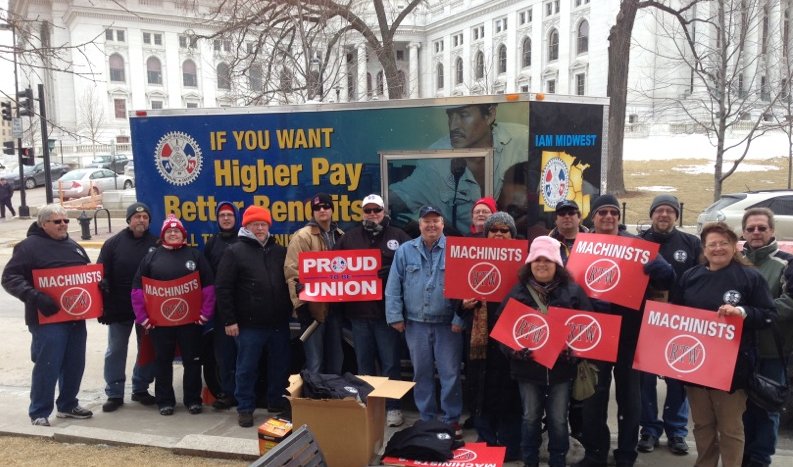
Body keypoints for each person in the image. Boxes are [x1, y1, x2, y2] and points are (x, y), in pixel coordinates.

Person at [575, 194, 675, 467]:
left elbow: (667, 281)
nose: (608, 217)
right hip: (594, 332)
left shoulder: (638, 246)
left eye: (613, 213)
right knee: (594, 397)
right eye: (602, 212)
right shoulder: (582, 247)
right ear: (592, 217)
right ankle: (596, 452)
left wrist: (662, 270)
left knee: (630, 397)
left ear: (619, 218)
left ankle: (626, 453)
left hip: (629, 333)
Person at [670, 221, 776, 467]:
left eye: (723, 243)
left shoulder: (750, 277)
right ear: (704, 249)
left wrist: (741, 312)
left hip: (732, 367)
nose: (718, 249)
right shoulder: (691, 276)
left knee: (729, 427)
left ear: (733, 246)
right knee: (703, 424)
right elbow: (674, 314)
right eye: (712, 244)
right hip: (695, 364)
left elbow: (768, 315)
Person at [495, 235, 593, 467]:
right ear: (530, 263)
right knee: (530, 417)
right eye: (537, 259)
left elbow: (588, 326)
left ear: (556, 263)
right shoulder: (518, 292)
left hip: (561, 371)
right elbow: (502, 329)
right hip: (527, 370)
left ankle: (557, 461)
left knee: (559, 420)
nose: (542, 264)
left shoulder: (573, 292)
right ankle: (530, 461)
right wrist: (513, 351)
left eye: (547, 259)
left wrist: (576, 352)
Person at [1, 204, 93, 426]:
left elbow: (87, 274)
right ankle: (39, 411)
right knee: (48, 364)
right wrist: (33, 295)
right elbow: (10, 278)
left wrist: (100, 285)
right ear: (44, 224)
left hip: (75, 317)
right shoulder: (28, 247)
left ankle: (68, 404)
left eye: (65, 221)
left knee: (74, 362)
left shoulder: (74, 246)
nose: (63, 225)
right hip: (47, 319)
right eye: (57, 221)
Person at [385, 205, 466, 438]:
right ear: (419, 224)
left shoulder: (456, 250)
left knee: (450, 374)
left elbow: (466, 288)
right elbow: (393, 287)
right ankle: (427, 419)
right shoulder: (404, 251)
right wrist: (395, 317)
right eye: (426, 221)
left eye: (436, 221)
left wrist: (460, 318)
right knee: (421, 373)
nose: (431, 225)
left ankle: (451, 420)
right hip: (415, 324)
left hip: (448, 325)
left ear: (443, 224)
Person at [389, 104, 528, 234]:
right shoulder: (435, 158)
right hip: (460, 252)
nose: (453, 126)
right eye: (450, 116)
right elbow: (402, 195)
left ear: (490, 115)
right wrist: (373, 204)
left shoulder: (522, 140)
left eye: (463, 115)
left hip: (511, 247)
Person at [335, 194, 411, 427]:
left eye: (376, 210)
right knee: (364, 364)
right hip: (359, 315)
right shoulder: (349, 238)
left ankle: (393, 408)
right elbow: (331, 268)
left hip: (387, 315)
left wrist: (395, 270)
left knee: (390, 363)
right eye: (367, 210)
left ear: (384, 211)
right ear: (362, 213)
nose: (372, 214)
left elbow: (414, 265)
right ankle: (368, 405)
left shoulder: (399, 236)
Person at [215, 205, 292, 428]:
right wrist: (229, 320)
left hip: (278, 322)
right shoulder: (234, 251)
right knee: (246, 368)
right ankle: (245, 408)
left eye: (263, 224)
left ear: (269, 225)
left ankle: (275, 401)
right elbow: (223, 288)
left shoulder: (279, 251)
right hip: (248, 325)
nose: (259, 228)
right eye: (254, 224)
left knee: (280, 366)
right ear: (246, 226)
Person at [131, 214, 215, 416]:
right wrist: (143, 318)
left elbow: (209, 287)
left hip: (190, 322)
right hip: (160, 324)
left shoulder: (195, 255)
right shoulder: (152, 257)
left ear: (183, 233)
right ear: (163, 235)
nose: (174, 233)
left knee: (192, 361)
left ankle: (193, 400)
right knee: (162, 361)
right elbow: (137, 290)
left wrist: (205, 314)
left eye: (177, 230)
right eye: (169, 231)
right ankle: (165, 401)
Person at [637, 195, 701, 456]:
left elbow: (701, 279)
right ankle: (650, 429)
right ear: (652, 215)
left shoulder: (691, 243)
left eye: (669, 211)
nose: (663, 215)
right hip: (645, 320)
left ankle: (676, 431)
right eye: (659, 210)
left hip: (678, 320)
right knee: (646, 379)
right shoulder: (637, 243)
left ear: (676, 216)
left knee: (678, 378)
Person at [458, 212, 523, 461]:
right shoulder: (471, 260)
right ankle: (485, 440)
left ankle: (509, 444)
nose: (498, 233)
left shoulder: (523, 263)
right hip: (480, 341)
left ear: (512, 234)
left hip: (510, 340)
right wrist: (463, 303)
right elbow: (456, 299)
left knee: (509, 393)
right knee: (480, 391)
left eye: (504, 230)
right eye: (493, 229)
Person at [740, 207, 793, 467]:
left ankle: (760, 459)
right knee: (742, 407)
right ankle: (743, 455)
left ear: (772, 230)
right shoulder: (735, 260)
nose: (756, 233)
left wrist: (755, 315)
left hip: (772, 350)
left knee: (767, 408)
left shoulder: (786, 263)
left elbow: (790, 303)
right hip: (738, 350)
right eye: (751, 228)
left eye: (762, 228)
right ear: (743, 232)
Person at [97, 202, 158, 413]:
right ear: (129, 220)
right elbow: (100, 274)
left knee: (147, 350)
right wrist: (102, 301)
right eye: (137, 217)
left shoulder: (156, 243)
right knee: (115, 350)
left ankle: (140, 388)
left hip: (147, 308)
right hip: (119, 307)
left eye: (145, 217)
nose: (141, 221)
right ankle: (114, 393)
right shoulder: (113, 244)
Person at [285, 192, 345, 374]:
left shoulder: (341, 235)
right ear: (312, 212)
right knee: (315, 361)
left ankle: (332, 399)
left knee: (337, 359)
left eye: (326, 206)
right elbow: (292, 273)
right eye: (317, 208)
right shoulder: (302, 237)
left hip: (335, 310)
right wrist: (301, 306)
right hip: (313, 311)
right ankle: (313, 401)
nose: (322, 210)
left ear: (332, 209)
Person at [548, 198, 588, 440]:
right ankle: (555, 431)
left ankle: (581, 433)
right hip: (553, 319)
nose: (567, 217)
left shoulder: (596, 243)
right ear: (556, 218)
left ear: (579, 217)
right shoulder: (545, 243)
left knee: (583, 383)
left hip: (585, 318)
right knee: (557, 380)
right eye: (562, 213)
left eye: (572, 213)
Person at [203, 201, 240, 410]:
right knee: (224, 355)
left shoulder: (245, 240)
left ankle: (244, 393)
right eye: (222, 215)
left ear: (236, 218)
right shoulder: (212, 244)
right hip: (221, 310)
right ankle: (227, 393)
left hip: (243, 308)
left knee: (244, 355)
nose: (226, 218)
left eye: (230, 215)